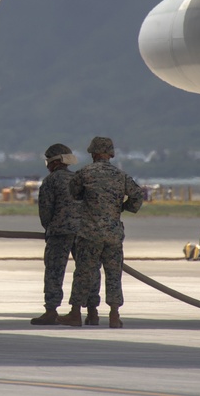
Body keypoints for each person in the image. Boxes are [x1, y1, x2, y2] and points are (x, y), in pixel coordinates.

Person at [59, 136, 142, 329]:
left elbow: (75, 194)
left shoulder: (84, 173)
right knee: (113, 275)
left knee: (84, 273)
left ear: (93, 153)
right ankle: (114, 315)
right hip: (113, 234)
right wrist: (123, 207)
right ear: (110, 154)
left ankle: (75, 313)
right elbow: (137, 194)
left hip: (90, 233)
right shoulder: (121, 175)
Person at [30, 144, 102, 326]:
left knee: (55, 271)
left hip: (60, 232)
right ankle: (92, 312)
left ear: (53, 163)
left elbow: (45, 212)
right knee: (88, 270)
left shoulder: (51, 181)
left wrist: (50, 228)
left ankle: (51, 311)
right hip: (83, 232)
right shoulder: (79, 179)